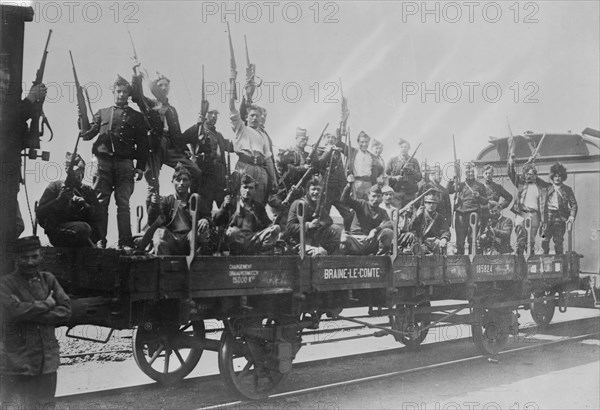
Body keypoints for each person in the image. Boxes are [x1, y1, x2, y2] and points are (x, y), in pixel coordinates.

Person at [0, 236, 71, 409]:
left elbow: (66, 310)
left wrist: (28, 311)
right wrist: (47, 304)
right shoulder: (6, 283)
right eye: (25, 257)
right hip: (19, 361)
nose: (30, 262)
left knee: (46, 405)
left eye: (34, 256)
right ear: (16, 258)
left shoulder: (49, 279)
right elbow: (12, 311)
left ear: (41, 256)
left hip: (47, 361)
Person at [80, 76, 148, 249]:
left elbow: (142, 144)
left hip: (125, 164)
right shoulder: (103, 113)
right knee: (100, 202)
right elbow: (87, 135)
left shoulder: (137, 117)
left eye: (125, 92)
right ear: (113, 92)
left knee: (123, 203)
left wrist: (140, 167)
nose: (122, 95)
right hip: (102, 163)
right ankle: (99, 241)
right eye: (118, 91)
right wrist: (81, 116)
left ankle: (125, 242)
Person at [131, 71, 201, 200]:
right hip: (154, 145)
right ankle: (153, 216)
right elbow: (136, 95)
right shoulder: (149, 104)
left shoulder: (172, 109)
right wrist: (136, 75)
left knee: (195, 171)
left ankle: (190, 204)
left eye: (166, 85)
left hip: (170, 146)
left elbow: (177, 133)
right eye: (160, 85)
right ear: (155, 88)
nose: (163, 88)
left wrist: (184, 149)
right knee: (153, 184)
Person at [228, 77, 277, 205]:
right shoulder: (241, 128)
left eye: (257, 116)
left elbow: (268, 159)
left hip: (261, 171)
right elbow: (232, 107)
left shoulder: (264, 135)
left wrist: (274, 179)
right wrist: (232, 82)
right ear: (246, 117)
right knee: (241, 204)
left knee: (259, 204)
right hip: (244, 167)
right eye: (252, 115)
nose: (255, 118)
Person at [36, 153, 101, 247]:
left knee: (87, 229)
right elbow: (40, 213)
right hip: (59, 232)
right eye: (77, 170)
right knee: (83, 228)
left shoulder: (88, 191)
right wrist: (59, 200)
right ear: (68, 170)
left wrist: (85, 206)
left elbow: (99, 216)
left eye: (82, 170)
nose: (80, 173)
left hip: (86, 233)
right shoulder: (56, 186)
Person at [148, 164, 214, 255]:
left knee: (201, 231)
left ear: (190, 182)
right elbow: (153, 222)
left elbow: (208, 216)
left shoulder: (196, 200)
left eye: (185, 180)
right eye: (178, 180)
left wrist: (205, 219)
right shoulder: (167, 201)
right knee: (159, 232)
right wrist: (153, 205)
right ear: (172, 181)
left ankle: (198, 266)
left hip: (190, 238)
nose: (181, 183)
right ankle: (164, 265)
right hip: (172, 239)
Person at [214, 174, 280, 255]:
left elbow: (268, 225)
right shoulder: (232, 203)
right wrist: (224, 207)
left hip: (253, 238)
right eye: (245, 187)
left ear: (255, 190)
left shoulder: (258, 207)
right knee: (233, 231)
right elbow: (216, 221)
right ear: (240, 189)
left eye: (251, 188)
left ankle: (262, 258)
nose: (247, 190)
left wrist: (273, 227)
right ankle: (236, 256)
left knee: (276, 228)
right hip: (236, 238)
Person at [183, 108, 232, 214]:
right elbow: (180, 140)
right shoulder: (197, 129)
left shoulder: (219, 135)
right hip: (203, 176)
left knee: (225, 206)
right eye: (210, 113)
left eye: (216, 113)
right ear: (204, 114)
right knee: (202, 207)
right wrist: (187, 153)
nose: (214, 116)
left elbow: (232, 146)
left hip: (219, 176)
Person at [286, 177, 342, 255]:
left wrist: (319, 223)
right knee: (320, 252)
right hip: (298, 243)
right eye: (313, 189)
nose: (316, 192)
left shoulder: (318, 205)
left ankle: (332, 255)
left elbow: (329, 220)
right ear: (308, 191)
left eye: (318, 190)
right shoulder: (298, 204)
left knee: (337, 229)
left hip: (314, 241)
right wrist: (309, 225)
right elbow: (290, 227)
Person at [340, 176, 394, 255]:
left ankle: (380, 258)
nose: (375, 199)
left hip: (370, 241)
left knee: (388, 232)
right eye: (373, 196)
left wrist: (374, 230)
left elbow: (389, 224)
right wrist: (349, 185)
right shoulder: (361, 204)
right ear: (368, 196)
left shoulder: (382, 212)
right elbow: (344, 200)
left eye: (378, 196)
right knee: (344, 239)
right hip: (356, 240)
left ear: (381, 198)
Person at [508, 157, 550, 254]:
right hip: (522, 213)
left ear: (535, 176)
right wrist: (511, 163)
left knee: (531, 241)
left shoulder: (541, 186)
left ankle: (530, 262)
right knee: (520, 238)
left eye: (531, 174)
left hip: (534, 214)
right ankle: (518, 260)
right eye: (526, 174)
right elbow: (511, 173)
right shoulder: (521, 184)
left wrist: (544, 220)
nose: (528, 177)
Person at [447, 162, 488, 255]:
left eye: (472, 172)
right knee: (460, 241)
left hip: (473, 215)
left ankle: (472, 261)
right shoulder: (460, 185)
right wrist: (452, 180)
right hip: (460, 215)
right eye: (468, 172)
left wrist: (479, 196)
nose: (470, 174)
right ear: (465, 173)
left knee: (472, 240)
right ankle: (460, 263)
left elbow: (485, 201)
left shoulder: (480, 186)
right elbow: (449, 191)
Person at [316, 132, 354, 232]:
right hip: (325, 191)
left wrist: (346, 186)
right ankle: (320, 241)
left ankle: (347, 235)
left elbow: (341, 171)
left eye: (332, 138)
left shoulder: (337, 152)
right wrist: (328, 151)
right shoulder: (319, 151)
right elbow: (319, 164)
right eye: (328, 137)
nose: (330, 139)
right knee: (324, 218)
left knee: (349, 215)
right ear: (323, 139)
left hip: (338, 191)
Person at [541, 162, 577, 254]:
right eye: (555, 176)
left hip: (560, 217)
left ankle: (559, 264)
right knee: (544, 239)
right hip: (547, 217)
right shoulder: (546, 187)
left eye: (559, 176)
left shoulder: (567, 190)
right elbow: (535, 179)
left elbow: (574, 205)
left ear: (563, 177)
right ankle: (545, 262)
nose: (557, 178)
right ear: (552, 177)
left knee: (559, 241)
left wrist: (572, 216)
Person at [340, 131, 383, 200]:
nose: (364, 144)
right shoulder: (352, 151)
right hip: (356, 183)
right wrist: (342, 123)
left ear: (369, 142)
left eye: (366, 142)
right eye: (362, 142)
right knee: (355, 205)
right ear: (358, 142)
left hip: (369, 184)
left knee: (367, 206)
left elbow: (379, 170)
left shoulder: (372, 156)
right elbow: (338, 143)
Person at [386, 138, 422, 208]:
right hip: (396, 192)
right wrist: (394, 178)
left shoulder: (414, 161)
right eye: (401, 147)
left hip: (410, 193)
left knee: (410, 213)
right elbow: (385, 175)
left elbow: (419, 177)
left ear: (409, 148)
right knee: (396, 213)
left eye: (405, 147)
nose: (403, 149)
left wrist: (412, 170)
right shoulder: (392, 160)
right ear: (399, 148)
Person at [480, 164, 513, 230]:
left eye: (490, 173)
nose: (488, 175)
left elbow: (509, 197)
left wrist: (500, 206)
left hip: (495, 216)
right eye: (486, 173)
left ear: (492, 174)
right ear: (483, 174)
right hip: (482, 216)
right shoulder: (479, 187)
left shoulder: (498, 187)